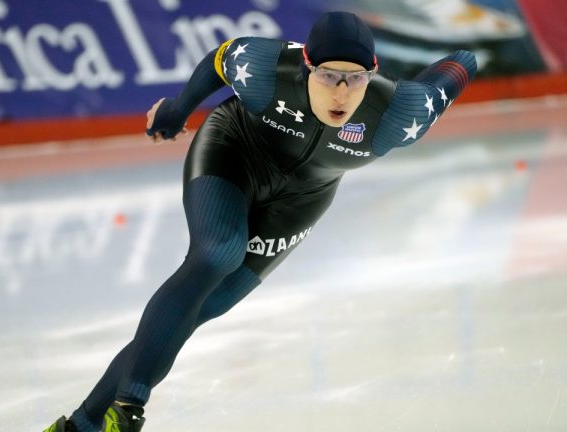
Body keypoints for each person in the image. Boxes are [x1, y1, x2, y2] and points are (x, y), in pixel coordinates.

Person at [42, 10, 476, 432]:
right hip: (235, 152)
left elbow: (461, 64)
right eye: (328, 75)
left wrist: (462, 54)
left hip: (305, 196)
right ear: (307, 66)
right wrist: (180, 107)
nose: (341, 93)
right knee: (218, 252)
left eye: (355, 78)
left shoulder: (402, 114)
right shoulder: (267, 68)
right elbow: (220, 58)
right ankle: (129, 410)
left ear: (373, 71)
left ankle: (82, 424)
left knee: (204, 307)